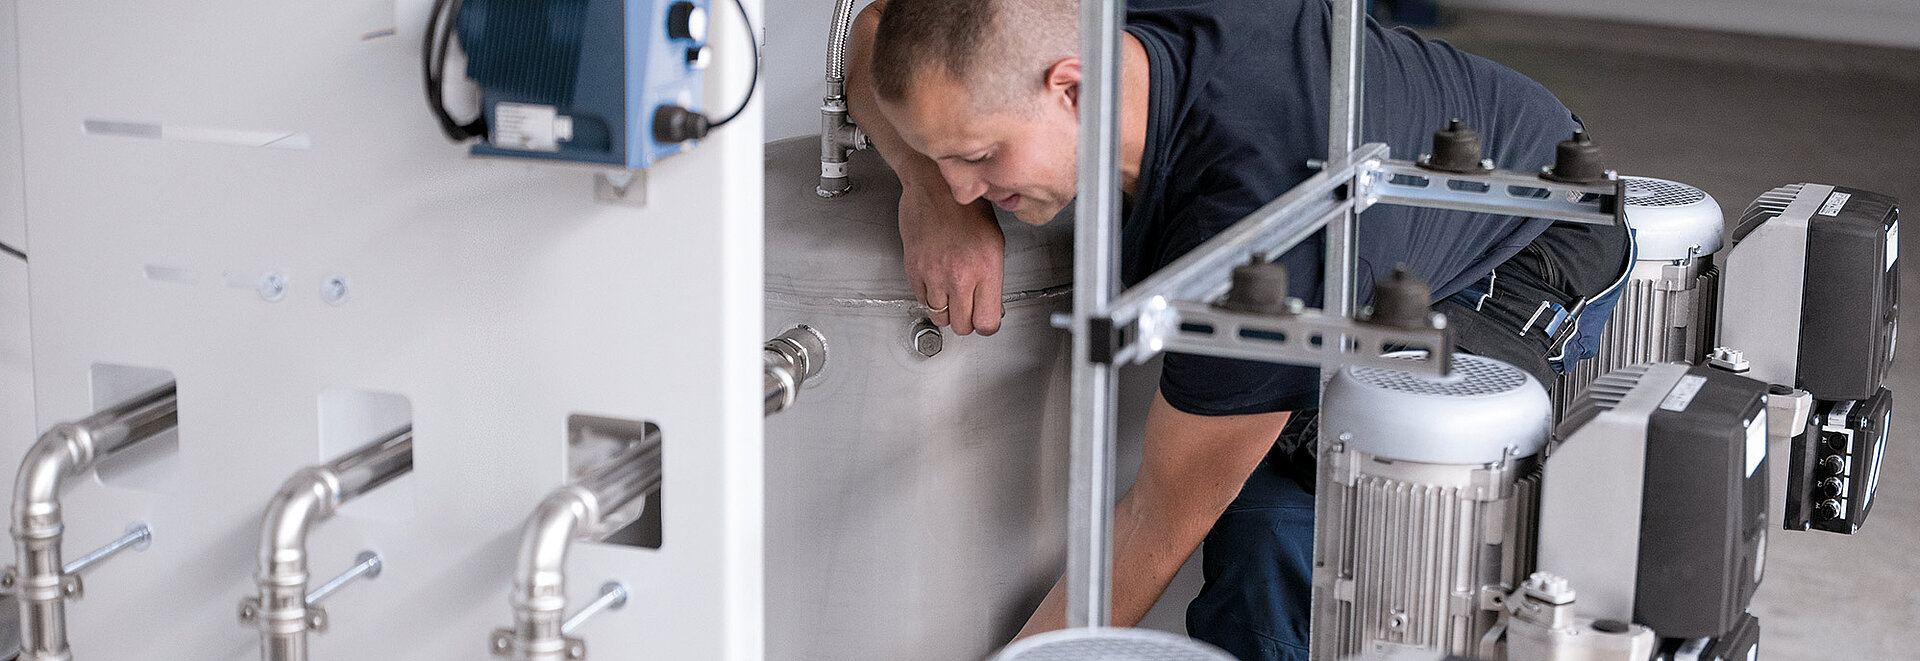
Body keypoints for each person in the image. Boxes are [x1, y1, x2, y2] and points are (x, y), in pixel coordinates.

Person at [845, 0, 1630, 659]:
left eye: (978, 156)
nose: (963, 182)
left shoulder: (1256, 228)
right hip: (1365, 170)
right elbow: (879, 27)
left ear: (1071, 90)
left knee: (1280, 531)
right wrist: (929, 194)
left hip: (1523, 227)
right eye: (943, 156)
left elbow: (1160, 518)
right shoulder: (1085, 28)